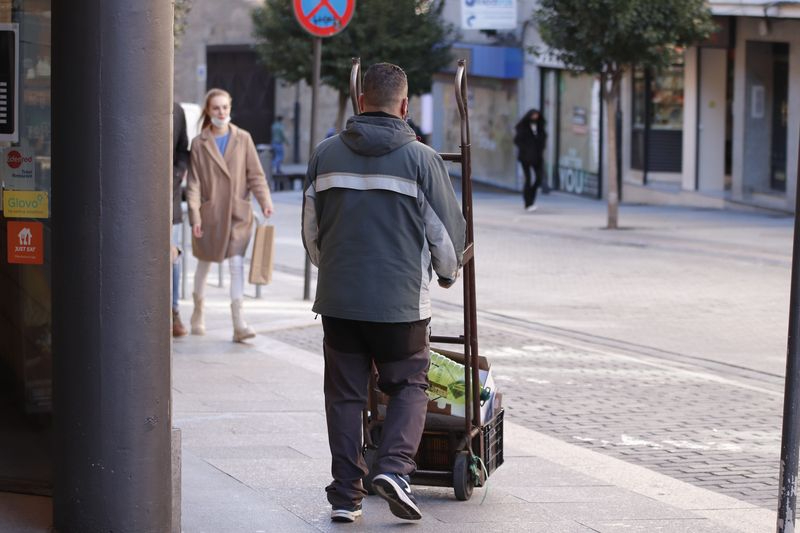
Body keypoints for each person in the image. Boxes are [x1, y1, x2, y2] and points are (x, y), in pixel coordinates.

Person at [301, 62, 466, 523]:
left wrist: (335, 270)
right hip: (400, 304)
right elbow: (446, 240)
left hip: (339, 300)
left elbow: (311, 232)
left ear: (360, 101)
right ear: (405, 105)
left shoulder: (324, 155)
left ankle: (344, 497)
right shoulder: (423, 160)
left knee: (344, 396)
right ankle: (393, 468)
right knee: (409, 384)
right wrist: (447, 274)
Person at [185, 88, 274, 342]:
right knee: (204, 263)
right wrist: (195, 216)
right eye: (216, 108)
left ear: (230, 108)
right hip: (210, 214)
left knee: (236, 265)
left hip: (237, 213)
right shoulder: (199, 143)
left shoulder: (243, 138)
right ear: (208, 110)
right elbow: (193, 184)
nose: (221, 112)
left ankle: (239, 323)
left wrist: (265, 201)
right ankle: (198, 311)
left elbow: (255, 175)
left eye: (225, 107)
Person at [172, 101, 190, 337]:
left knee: (172, 256)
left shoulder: (176, 110)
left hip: (170, 197)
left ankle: (173, 310)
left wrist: (176, 172)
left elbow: (183, 149)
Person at [513, 108, 547, 211]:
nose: (535, 118)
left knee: (539, 178)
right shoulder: (522, 127)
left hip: (537, 157)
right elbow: (517, 140)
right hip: (525, 157)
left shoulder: (540, 127)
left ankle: (531, 197)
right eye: (533, 115)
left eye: (537, 116)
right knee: (528, 179)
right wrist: (526, 149)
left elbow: (542, 140)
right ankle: (528, 202)